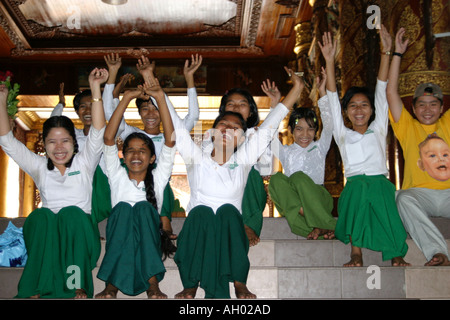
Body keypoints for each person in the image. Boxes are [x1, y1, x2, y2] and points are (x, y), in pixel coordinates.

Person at [172, 66, 304, 299]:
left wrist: (297, 88)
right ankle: (190, 284)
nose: (229, 127)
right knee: (201, 213)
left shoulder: (248, 148)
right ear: (213, 131)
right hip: (200, 220)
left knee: (229, 212)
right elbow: (177, 129)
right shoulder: (201, 151)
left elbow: (272, 124)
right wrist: (160, 92)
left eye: (241, 105)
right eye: (224, 123)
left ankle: (239, 282)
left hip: (233, 210)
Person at [0, 68, 108, 298]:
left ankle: (76, 284)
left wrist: (96, 87)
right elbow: (7, 142)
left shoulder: (85, 161)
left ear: (75, 142)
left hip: (80, 235)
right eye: (52, 142)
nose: (59, 148)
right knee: (40, 216)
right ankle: (36, 287)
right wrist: (1, 101)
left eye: (65, 141)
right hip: (49, 235)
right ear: (44, 144)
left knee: (70, 214)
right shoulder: (38, 165)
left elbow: (98, 130)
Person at [320, 26, 409, 267]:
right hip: (356, 185)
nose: (359, 110)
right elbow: (331, 95)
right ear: (346, 112)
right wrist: (329, 61)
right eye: (353, 106)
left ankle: (395, 252)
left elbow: (381, 88)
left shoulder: (379, 127)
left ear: (371, 110)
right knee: (358, 189)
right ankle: (356, 252)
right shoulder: (342, 133)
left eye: (364, 105)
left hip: (380, 183)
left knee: (382, 191)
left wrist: (387, 52)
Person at [95, 76, 176, 299]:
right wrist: (127, 98)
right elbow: (109, 138)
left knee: (141, 209)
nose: (136, 154)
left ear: (152, 158)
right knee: (123, 209)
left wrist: (160, 97)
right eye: (130, 150)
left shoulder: (159, 178)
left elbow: (170, 140)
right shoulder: (117, 176)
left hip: (150, 233)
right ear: (124, 156)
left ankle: (152, 285)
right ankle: (111, 286)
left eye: (143, 150)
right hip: (120, 229)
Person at [105, 54, 202, 239]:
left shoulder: (172, 134)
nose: (150, 113)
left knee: (159, 178)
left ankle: (164, 222)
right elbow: (110, 115)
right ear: (139, 113)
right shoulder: (131, 134)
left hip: (158, 187)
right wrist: (116, 81)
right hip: (130, 185)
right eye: (145, 109)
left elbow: (193, 117)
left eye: (155, 108)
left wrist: (189, 80)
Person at [387, 27, 450, 266]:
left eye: (433, 104)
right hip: (420, 195)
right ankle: (439, 252)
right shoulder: (407, 127)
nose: (427, 109)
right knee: (401, 198)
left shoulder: (448, 122)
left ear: (441, 108)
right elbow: (390, 92)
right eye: (421, 105)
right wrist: (397, 54)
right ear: (413, 108)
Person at [268, 67, 336, 239]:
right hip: (295, 202)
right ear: (290, 130)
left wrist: (322, 93)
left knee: (298, 177)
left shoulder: (319, 148)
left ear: (315, 132)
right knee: (276, 178)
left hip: (319, 198)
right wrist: (274, 105)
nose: (305, 135)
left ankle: (324, 223)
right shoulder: (286, 151)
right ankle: (320, 227)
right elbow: (269, 134)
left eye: (310, 129)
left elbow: (329, 125)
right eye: (299, 129)